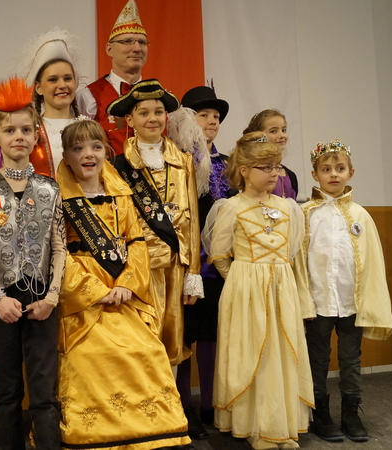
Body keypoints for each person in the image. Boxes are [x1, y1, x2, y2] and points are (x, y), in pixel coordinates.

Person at [56, 118, 192, 449]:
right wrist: (97, 292)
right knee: (89, 355)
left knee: (148, 349)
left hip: (124, 293)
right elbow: (58, 253)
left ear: (106, 151)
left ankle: (155, 431)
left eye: (95, 147)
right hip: (84, 301)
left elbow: (136, 242)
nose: (88, 154)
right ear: (66, 156)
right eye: (78, 148)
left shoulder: (122, 195)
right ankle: (96, 435)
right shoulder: (57, 198)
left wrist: (127, 284)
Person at [0, 76, 66, 450]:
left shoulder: (49, 188)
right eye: (9, 130)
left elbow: (60, 248)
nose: (18, 136)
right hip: (0, 303)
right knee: (7, 391)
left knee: (44, 392)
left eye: (26, 129)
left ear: (36, 136)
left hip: (42, 301)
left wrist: (52, 298)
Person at [203, 132, 314, 450]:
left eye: (276, 167)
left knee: (282, 351)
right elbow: (220, 255)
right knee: (254, 353)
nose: (274, 173)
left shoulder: (289, 208)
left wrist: (278, 279)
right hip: (246, 290)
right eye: (265, 167)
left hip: (281, 288)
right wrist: (242, 280)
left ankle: (282, 425)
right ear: (245, 170)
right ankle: (257, 427)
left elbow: (291, 252)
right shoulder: (231, 207)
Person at [301, 139, 392, 442]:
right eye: (326, 169)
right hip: (317, 302)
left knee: (351, 360)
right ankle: (320, 414)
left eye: (340, 168)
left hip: (350, 302)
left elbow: (371, 260)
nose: (333, 175)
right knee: (317, 359)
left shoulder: (360, 215)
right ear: (315, 174)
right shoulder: (305, 214)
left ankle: (351, 414)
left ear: (350, 172)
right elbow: (299, 260)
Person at [108, 79, 203, 369]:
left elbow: (192, 218)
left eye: (158, 112)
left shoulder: (183, 161)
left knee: (172, 340)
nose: (153, 118)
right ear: (130, 120)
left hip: (175, 264)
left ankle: (168, 396)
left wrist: (193, 272)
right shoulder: (117, 165)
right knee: (139, 339)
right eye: (144, 113)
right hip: (138, 266)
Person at [169, 85, 232, 440]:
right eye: (203, 115)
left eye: (216, 116)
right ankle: (184, 405)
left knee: (212, 333)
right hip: (186, 263)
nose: (211, 121)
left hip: (218, 265)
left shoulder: (228, 164)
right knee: (184, 336)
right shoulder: (177, 161)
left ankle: (210, 403)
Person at [77, 0, 150, 155]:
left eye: (142, 42)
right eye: (127, 41)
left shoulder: (160, 97)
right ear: (109, 49)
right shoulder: (88, 97)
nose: (137, 48)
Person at [19, 27, 82, 178]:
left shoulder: (89, 128)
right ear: (38, 88)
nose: (62, 85)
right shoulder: (29, 132)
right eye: (53, 80)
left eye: (67, 78)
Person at [243, 109, 298, 200]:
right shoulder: (252, 171)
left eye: (283, 130)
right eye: (273, 131)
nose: (282, 135)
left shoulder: (291, 176)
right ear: (258, 135)